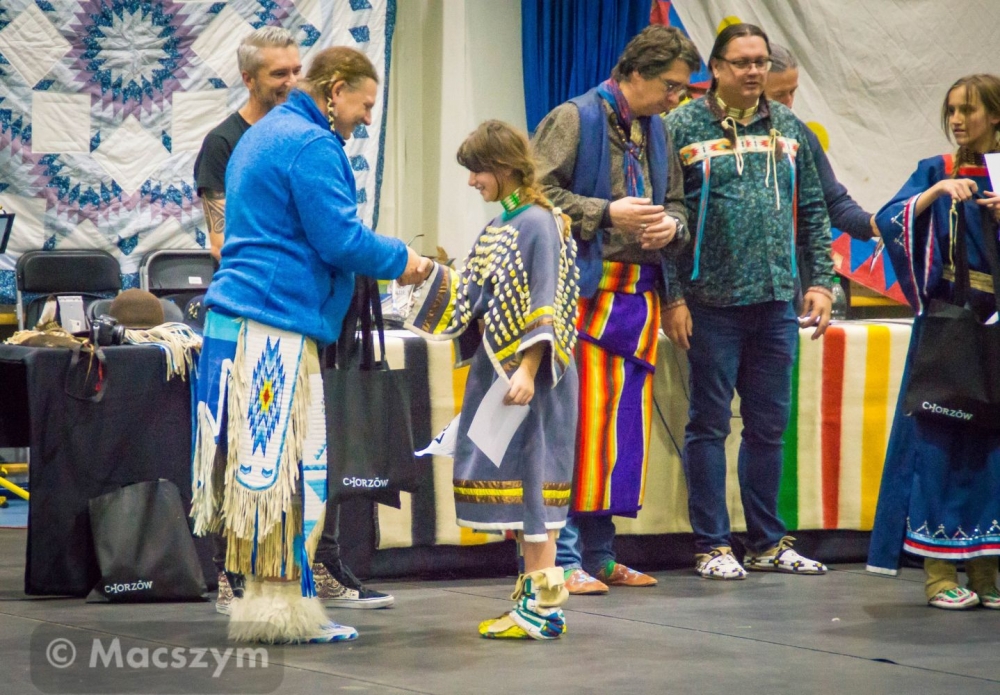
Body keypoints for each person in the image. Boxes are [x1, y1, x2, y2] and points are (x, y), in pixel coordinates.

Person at [190, 46, 430, 644]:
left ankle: (267, 605)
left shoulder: (263, 135)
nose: (367, 119)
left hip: (238, 324)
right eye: (364, 105)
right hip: (272, 329)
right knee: (286, 476)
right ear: (336, 89)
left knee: (256, 476)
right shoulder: (311, 144)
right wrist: (407, 260)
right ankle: (279, 611)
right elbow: (340, 239)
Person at [531, 25, 698, 596]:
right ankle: (563, 558)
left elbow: (677, 203)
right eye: (671, 86)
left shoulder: (658, 129)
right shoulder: (574, 119)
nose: (677, 98)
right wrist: (606, 213)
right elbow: (529, 195)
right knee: (574, 427)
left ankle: (600, 556)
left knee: (617, 432)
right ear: (635, 73)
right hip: (580, 296)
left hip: (637, 298)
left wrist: (672, 226)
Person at [665, 23, 833, 580]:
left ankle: (766, 543)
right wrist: (672, 297)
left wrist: (821, 282)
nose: (754, 71)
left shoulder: (789, 127)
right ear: (715, 68)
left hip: (777, 302)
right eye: (742, 62)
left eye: (760, 61)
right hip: (709, 302)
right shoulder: (679, 126)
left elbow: (813, 209)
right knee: (709, 425)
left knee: (768, 428)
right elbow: (665, 216)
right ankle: (712, 546)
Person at [405, 120, 579, 639]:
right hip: (504, 379)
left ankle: (544, 611)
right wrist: (422, 272)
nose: (471, 181)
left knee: (538, 496)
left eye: (477, 171)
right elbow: (472, 298)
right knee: (522, 497)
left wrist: (528, 367)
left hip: (531, 381)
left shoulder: (541, 223)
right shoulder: (503, 224)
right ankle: (531, 604)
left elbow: (549, 300)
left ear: (504, 167)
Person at [867, 74, 1000, 609]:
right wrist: (933, 195)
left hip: (996, 327)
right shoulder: (937, 169)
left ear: (996, 116)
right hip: (947, 324)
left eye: (969, 110)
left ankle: (987, 571)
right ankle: (940, 572)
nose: (957, 120)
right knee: (938, 440)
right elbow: (887, 220)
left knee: (992, 449)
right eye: (952, 111)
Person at [194, 26, 302, 263]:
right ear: (248, 79)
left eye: (297, 71)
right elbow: (221, 245)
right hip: (250, 282)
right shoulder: (222, 143)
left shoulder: (306, 136)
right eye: (280, 74)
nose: (293, 83)